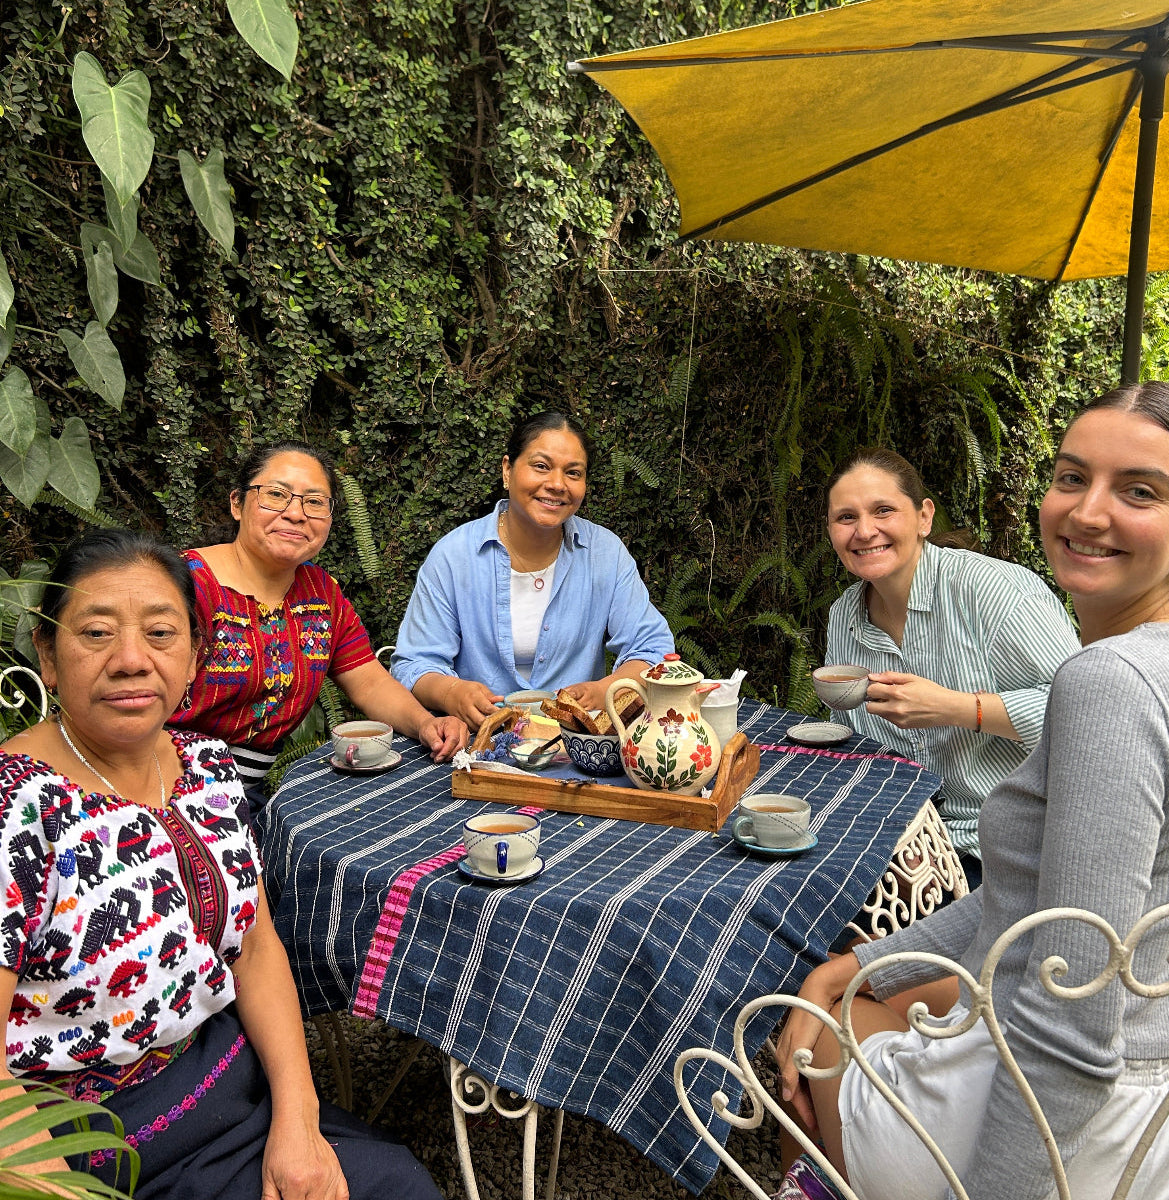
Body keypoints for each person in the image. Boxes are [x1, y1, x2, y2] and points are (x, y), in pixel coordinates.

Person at [777, 382, 1169, 1200]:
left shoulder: (1103, 679)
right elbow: (1038, 891)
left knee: (824, 1018)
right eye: (1072, 477)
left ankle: (832, 1178)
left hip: (1081, 1134)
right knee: (847, 979)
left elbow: (1071, 1025)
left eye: (1140, 492)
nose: (1088, 511)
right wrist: (860, 965)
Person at [0, 529, 443, 1199]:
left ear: (194, 657)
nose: (131, 660)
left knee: (396, 1186)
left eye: (160, 633)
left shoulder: (205, 766)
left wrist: (298, 1122)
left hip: (226, 1083)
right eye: (95, 634)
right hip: (88, 1141)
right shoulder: (17, 806)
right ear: (47, 654)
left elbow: (255, 946)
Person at [823, 448, 1080, 884]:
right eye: (846, 517)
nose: (864, 531)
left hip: (1004, 845)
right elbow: (851, 739)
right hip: (900, 837)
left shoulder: (994, 593)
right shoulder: (845, 616)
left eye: (883, 510)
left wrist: (957, 708)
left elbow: (1084, 717)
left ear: (924, 517)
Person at [171, 441, 468, 799]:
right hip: (163, 787)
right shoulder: (182, 585)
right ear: (237, 503)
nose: (296, 514)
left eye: (314, 502)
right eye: (276, 495)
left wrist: (426, 724)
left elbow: (368, 681)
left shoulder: (320, 593)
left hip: (246, 795)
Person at [390, 412, 675, 729]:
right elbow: (414, 663)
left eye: (573, 473)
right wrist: (451, 693)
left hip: (574, 743)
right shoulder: (454, 557)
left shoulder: (604, 553)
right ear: (507, 470)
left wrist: (605, 690)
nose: (557, 484)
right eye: (541, 466)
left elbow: (653, 648)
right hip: (474, 742)